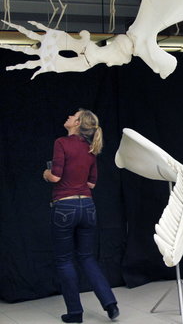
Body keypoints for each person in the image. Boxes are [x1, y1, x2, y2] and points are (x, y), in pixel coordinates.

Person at [43, 109, 119, 323]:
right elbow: (91, 184)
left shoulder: (61, 143)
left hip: (64, 208)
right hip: (88, 206)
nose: (67, 116)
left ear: (77, 123)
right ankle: (110, 304)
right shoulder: (91, 148)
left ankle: (75, 313)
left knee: (65, 260)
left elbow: (56, 176)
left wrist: (46, 174)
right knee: (87, 258)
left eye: (72, 116)